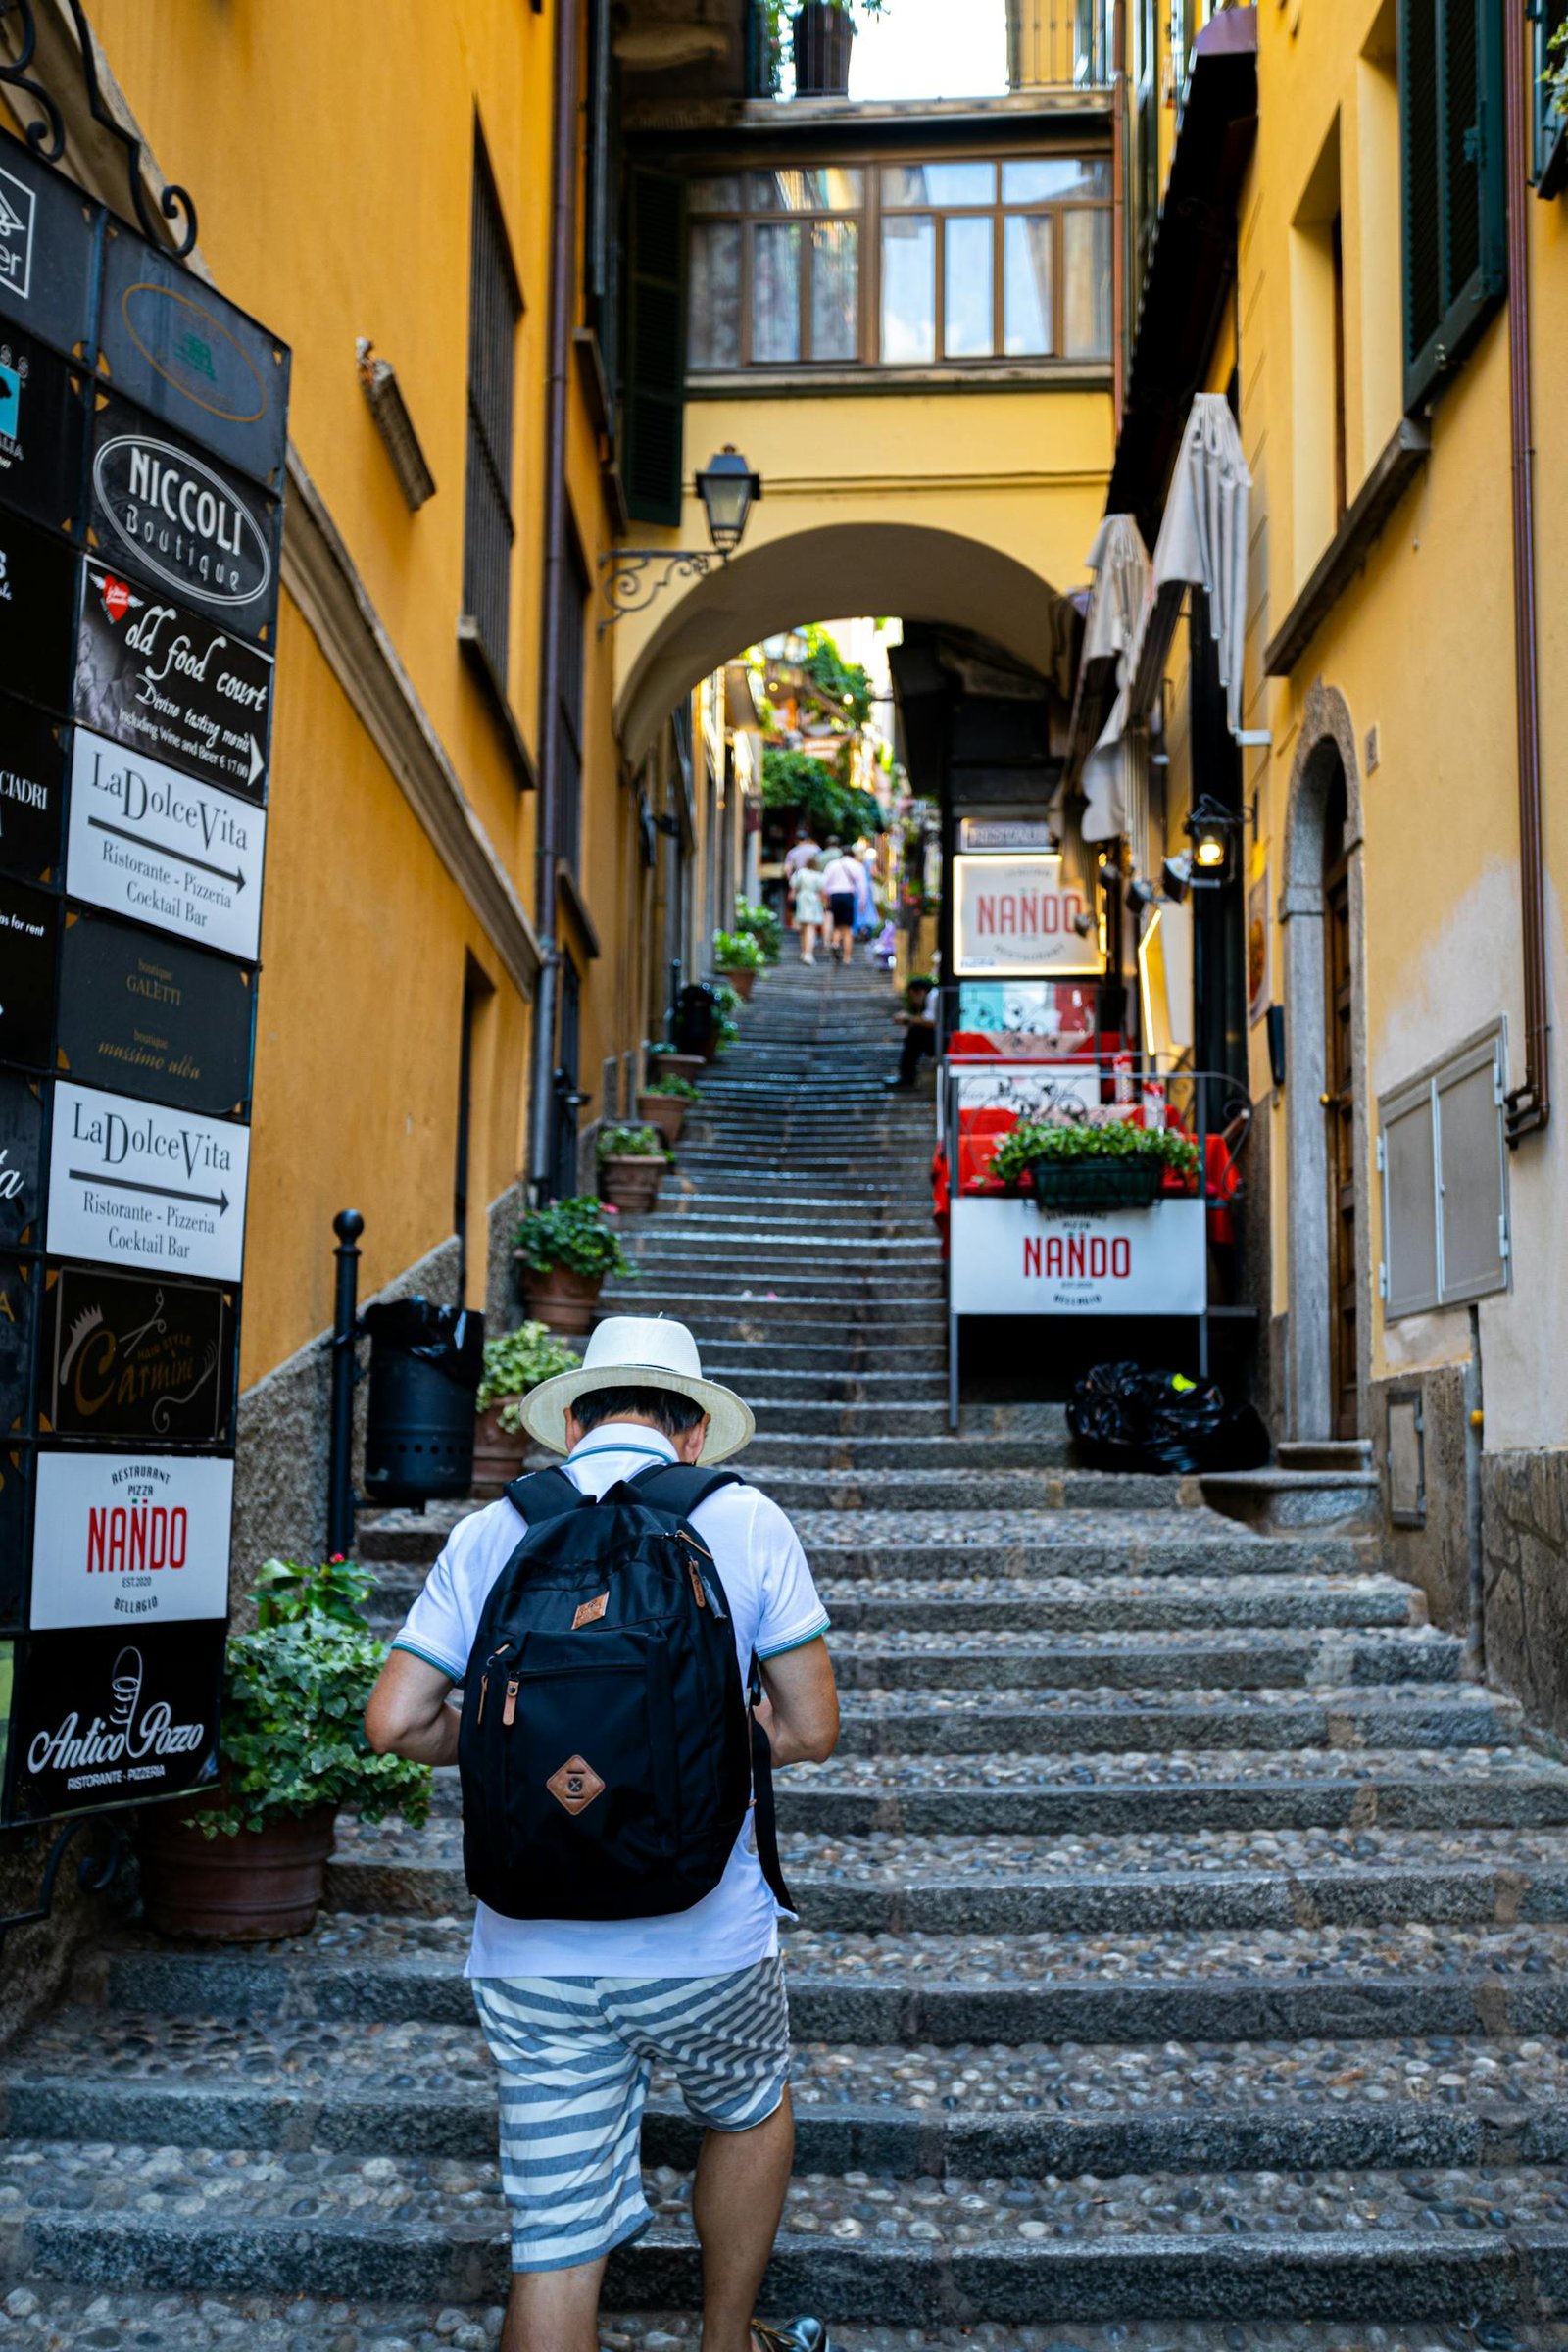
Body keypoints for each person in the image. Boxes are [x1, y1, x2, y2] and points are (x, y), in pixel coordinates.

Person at [366, 1315, 841, 2352]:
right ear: (691, 1433)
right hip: (704, 1933)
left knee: (554, 2242)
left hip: (529, 1945)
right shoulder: (743, 1518)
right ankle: (725, 2343)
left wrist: (517, 1753)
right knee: (747, 2110)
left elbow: (394, 1723)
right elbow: (810, 1727)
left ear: (573, 1423)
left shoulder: (494, 1530)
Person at [884, 972, 937, 1090]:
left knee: (916, 1033)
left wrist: (908, 1019)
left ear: (918, 992)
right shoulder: (931, 997)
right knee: (915, 1032)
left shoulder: (933, 997)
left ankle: (907, 1077)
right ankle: (907, 1075)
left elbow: (932, 1022)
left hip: (943, 1040)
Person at [818, 841, 861, 966]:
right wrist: (862, 902)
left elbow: (824, 883)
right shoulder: (856, 865)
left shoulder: (832, 865)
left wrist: (825, 898)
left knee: (837, 925)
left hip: (835, 896)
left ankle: (835, 944)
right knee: (847, 928)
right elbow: (862, 885)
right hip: (848, 895)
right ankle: (847, 958)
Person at [789, 852, 827, 963]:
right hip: (813, 900)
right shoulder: (819, 875)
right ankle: (808, 953)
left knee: (803, 927)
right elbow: (822, 891)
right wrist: (824, 904)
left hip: (801, 900)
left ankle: (804, 951)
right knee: (811, 927)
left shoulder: (800, 873)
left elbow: (793, 889)